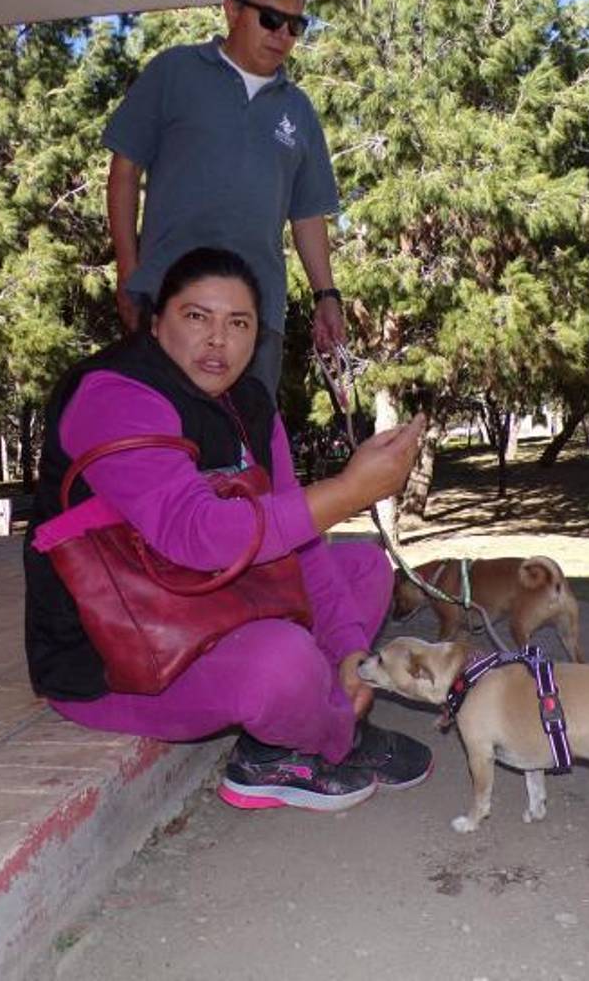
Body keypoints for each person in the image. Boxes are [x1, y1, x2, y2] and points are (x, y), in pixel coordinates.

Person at [24, 247, 429, 812]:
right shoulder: (114, 394)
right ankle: (324, 742)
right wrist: (350, 491)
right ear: (156, 319)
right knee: (282, 662)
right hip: (120, 655)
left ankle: (289, 729)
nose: (218, 341)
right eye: (197, 317)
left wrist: (351, 657)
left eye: (237, 324)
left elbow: (304, 546)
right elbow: (197, 533)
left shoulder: (249, 403)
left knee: (361, 567)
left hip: (206, 605)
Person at [103, 0, 344, 398]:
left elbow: (308, 214)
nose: (283, 35)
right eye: (272, 18)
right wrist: (128, 271)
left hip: (256, 317)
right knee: (167, 437)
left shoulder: (299, 109)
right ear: (232, 8)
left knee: (247, 451)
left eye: (296, 25)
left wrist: (326, 296)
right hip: (167, 302)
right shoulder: (174, 71)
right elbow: (123, 170)